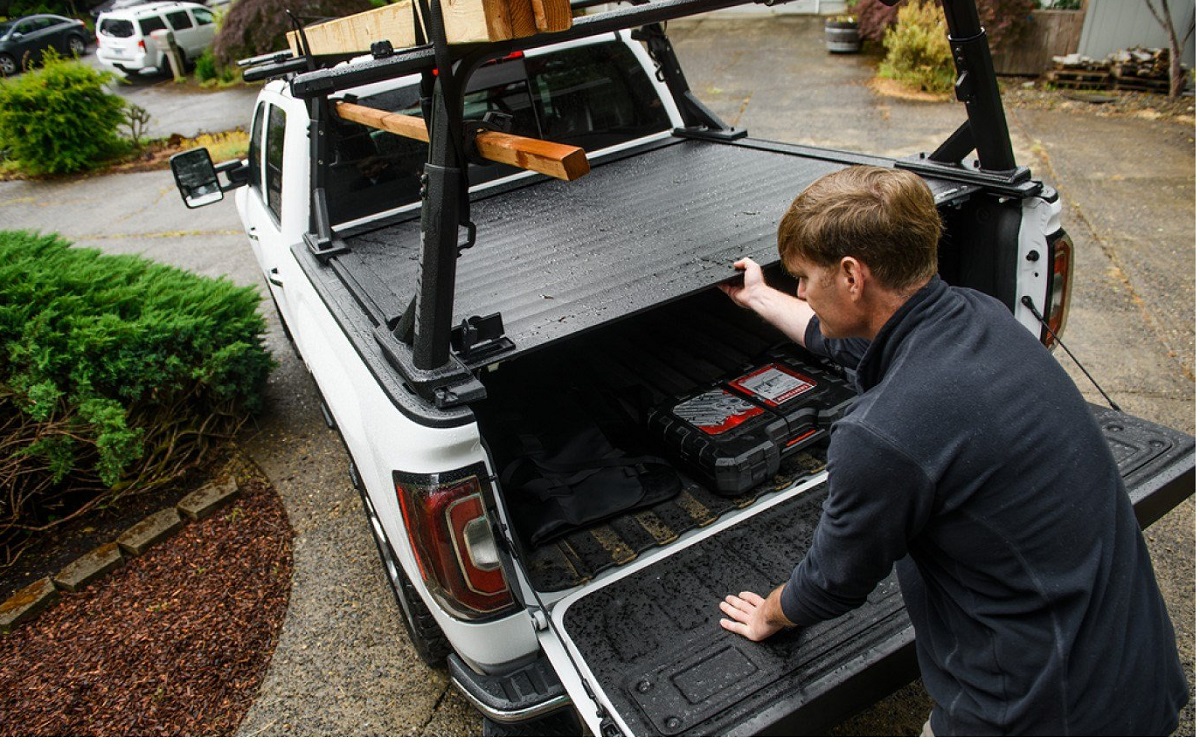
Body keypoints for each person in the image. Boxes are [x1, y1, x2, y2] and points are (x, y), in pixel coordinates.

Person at [716, 165, 1188, 736]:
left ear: (851, 276)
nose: (800, 292)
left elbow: (835, 580)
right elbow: (843, 340)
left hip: (1035, 714)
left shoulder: (881, 435)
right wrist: (760, 299)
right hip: (1135, 673)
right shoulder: (980, 317)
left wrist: (768, 613)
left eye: (802, 278)